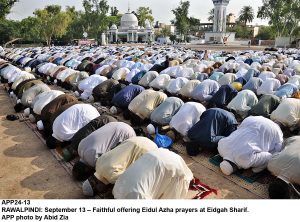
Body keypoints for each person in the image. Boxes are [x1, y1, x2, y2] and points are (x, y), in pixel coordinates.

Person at [82, 137, 158, 196]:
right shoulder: (98, 163)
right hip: (137, 139)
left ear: (97, 186)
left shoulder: (113, 178)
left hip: (149, 150)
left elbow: (128, 182)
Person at [112, 149, 193, 199]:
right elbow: (176, 194)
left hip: (120, 185)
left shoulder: (158, 151)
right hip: (137, 195)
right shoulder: (180, 171)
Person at [218, 116, 283, 175]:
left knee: (270, 156)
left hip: (269, 128)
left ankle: (254, 171)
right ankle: (254, 170)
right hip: (253, 119)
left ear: (235, 169)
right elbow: (275, 152)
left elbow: (272, 154)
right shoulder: (221, 148)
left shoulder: (245, 163)